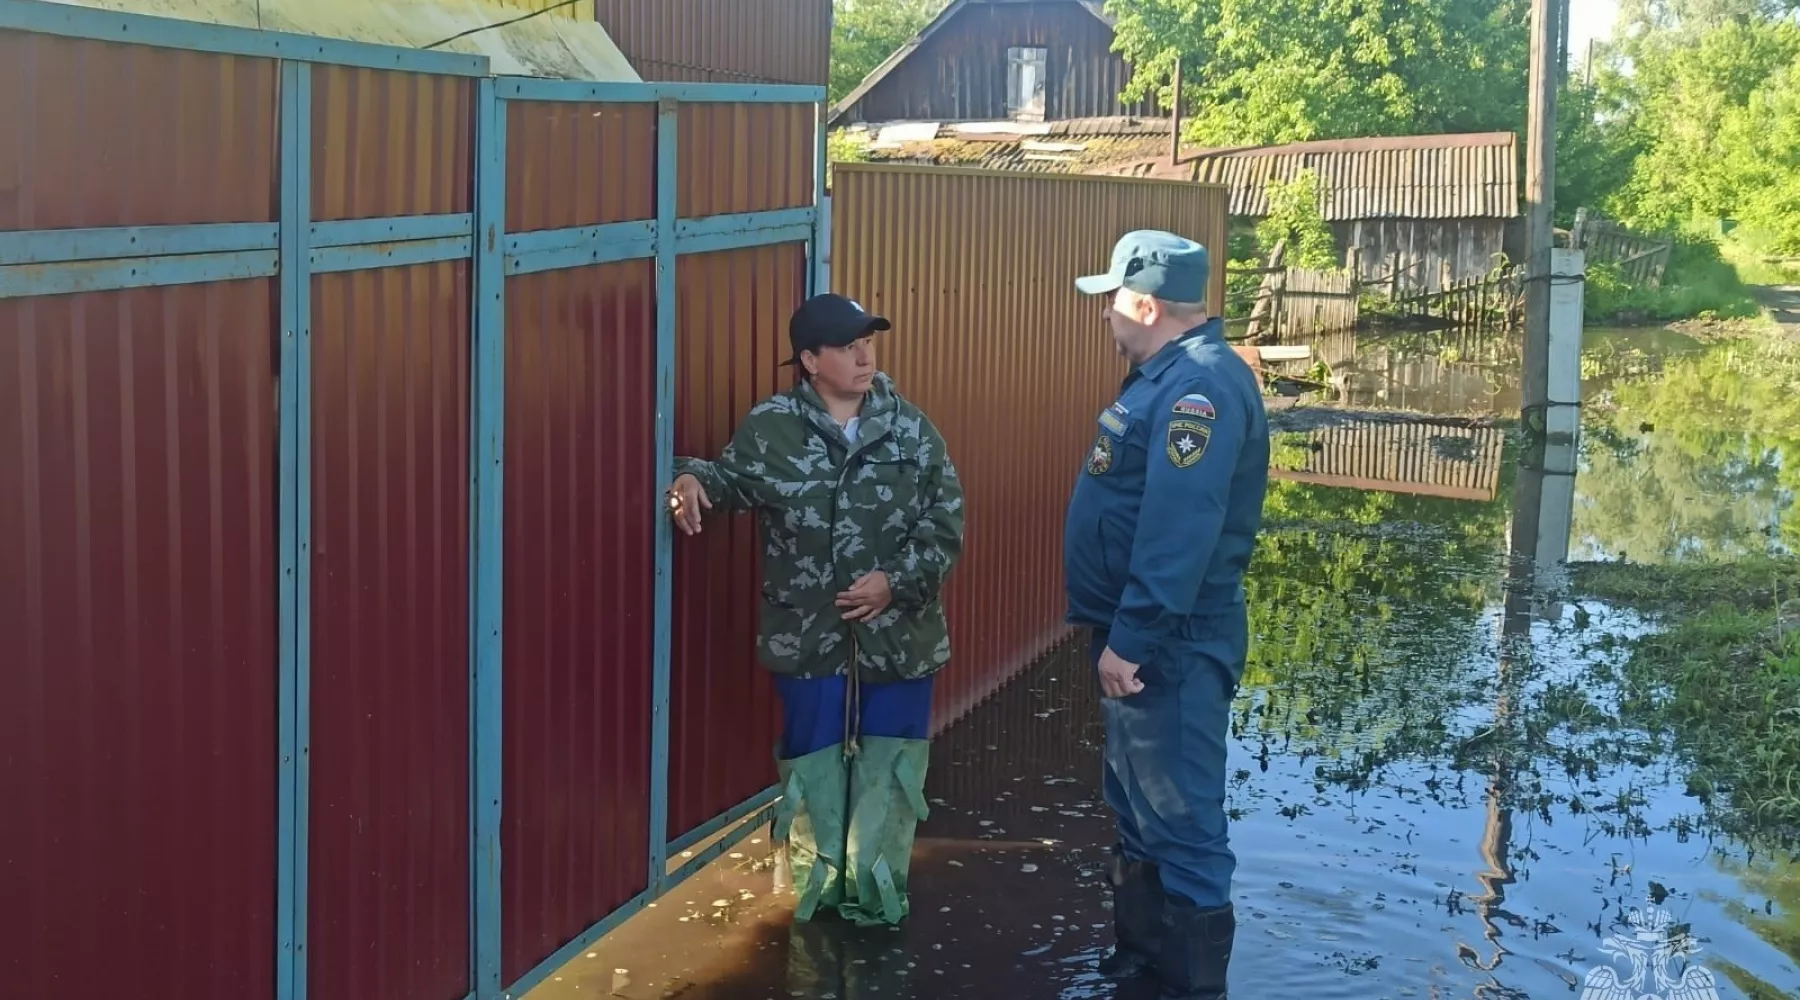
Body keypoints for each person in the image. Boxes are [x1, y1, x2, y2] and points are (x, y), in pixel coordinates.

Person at [665, 292, 965, 929]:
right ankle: (814, 901)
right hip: (808, 637)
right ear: (809, 359)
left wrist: (896, 581)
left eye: (869, 342)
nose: (864, 356)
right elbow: (728, 481)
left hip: (901, 635)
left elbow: (946, 525)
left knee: (889, 771)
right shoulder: (772, 427)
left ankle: (879, 906)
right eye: (846, 346)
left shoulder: (911, 427)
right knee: (814, 768)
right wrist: (689, 479)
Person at [1062, 231, 1269, 999]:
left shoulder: (1198, 390)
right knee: (1138, 804)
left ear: (1145, 304)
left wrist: (1135, 639)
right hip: (1139, 636)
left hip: (1168, 642)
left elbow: (1181, 529)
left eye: (1113, 300)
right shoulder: (1166, 375)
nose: (1107, 315)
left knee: (1181, 819)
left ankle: (1188, 986)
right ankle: (1143, 960)